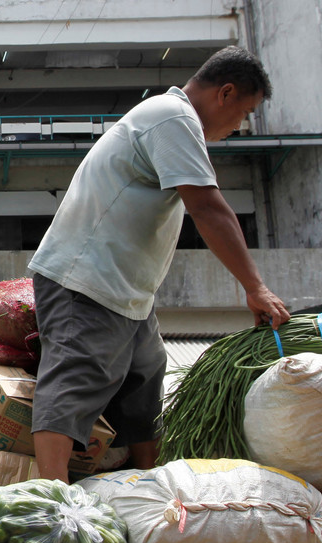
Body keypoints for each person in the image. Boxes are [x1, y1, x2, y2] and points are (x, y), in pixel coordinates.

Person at [27, 45, 290, 483]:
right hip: (86, 279)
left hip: (129, 291)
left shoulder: (171, 118)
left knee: (144, 386)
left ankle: (149, 486)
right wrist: (255, 287)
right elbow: (209, 208)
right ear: (225, 93)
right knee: (77, 379)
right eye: (244, 112)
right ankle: (52, 500)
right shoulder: (173, 116)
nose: (239, 126)